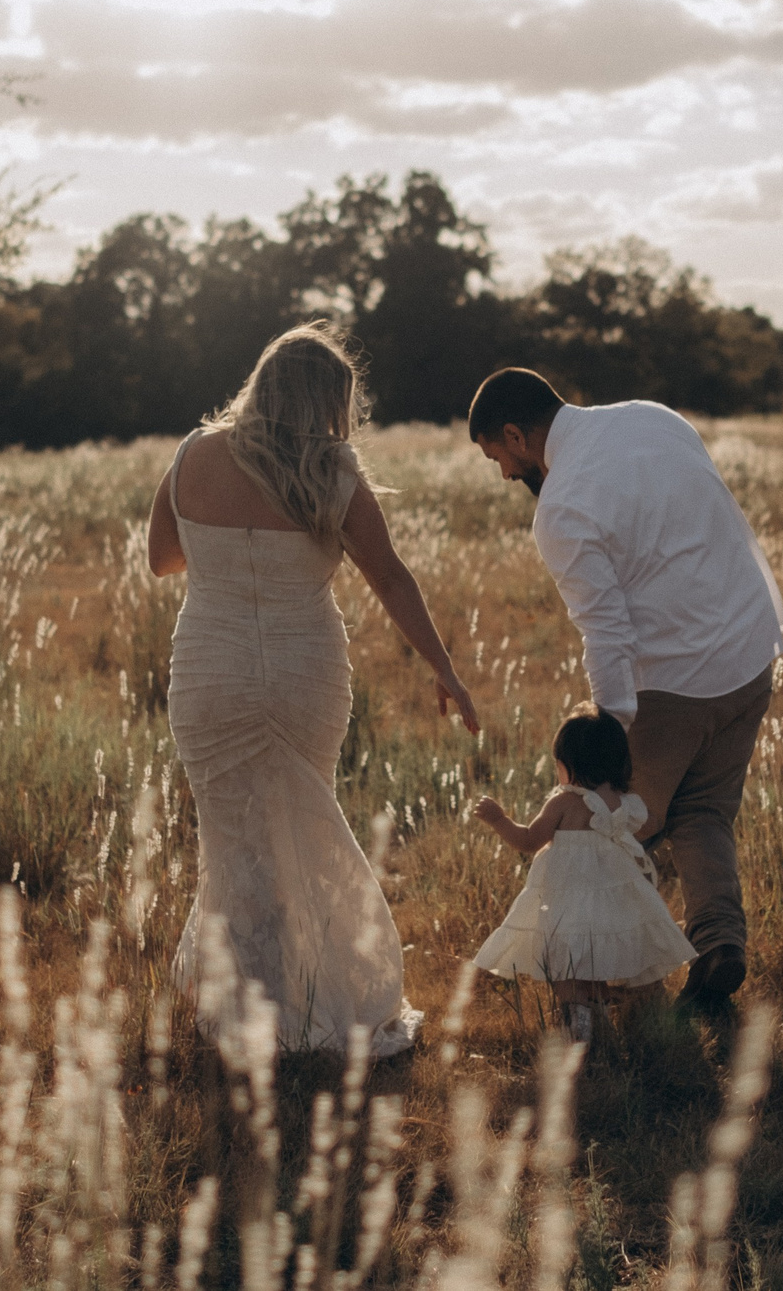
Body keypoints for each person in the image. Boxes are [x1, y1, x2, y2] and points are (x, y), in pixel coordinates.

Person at [150, 323, 479, 1057]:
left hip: (210, 671)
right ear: (329, 401)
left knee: (231, 838)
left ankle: (245, 1002)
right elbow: (390, 576)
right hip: (304, 672)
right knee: (303, 825)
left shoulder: (193, 454)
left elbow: (161, 559)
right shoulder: (332, 473)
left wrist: (224, 557)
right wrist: (445, 669)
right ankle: (308, 996)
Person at [468, 367, 783, 1012]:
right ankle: (719, 943)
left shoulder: (562, 507)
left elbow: (606, 630)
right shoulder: (654, 416)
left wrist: (606, 737)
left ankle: (605, 975)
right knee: (703, 811)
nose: (503, 474)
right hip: (751, 652)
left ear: (516, 436)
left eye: (497, 456)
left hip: (675, 681)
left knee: (605, 834)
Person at [470, 706, 697, 1043]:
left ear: (568, 765)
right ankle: (613, 1009)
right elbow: (649, 824)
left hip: (568, 902)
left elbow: (528, 841)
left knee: (567, 965)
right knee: (603, 954)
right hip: (613, 901)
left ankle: (581, 1024)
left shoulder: (564, 802)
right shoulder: (624, 802)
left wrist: (498, 819)